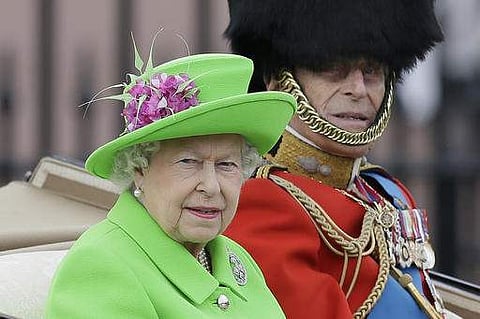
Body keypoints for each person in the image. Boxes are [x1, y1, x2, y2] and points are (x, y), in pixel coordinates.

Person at [223, 1, 451, 318]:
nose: (358, 89)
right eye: (333, 69)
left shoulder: (384, 191)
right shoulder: (262, 203)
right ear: (276, 78)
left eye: (371, 71)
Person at [45, 36, 296, 318]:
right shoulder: (101, 266)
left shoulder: (236, 260)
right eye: (188, 162)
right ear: (140, 169)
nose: (211, 187)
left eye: (227, 165)